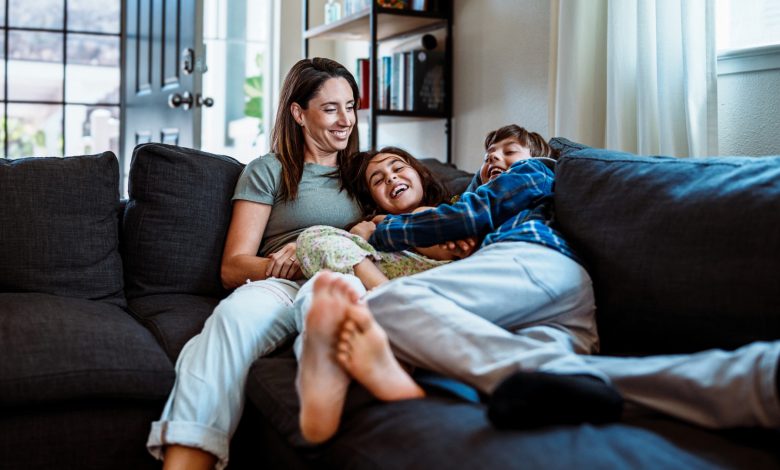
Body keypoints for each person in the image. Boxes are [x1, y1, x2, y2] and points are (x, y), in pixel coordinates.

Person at [300, 123, 780, 440]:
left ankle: (385, 381)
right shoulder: (471, 202)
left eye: (508, 151)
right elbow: (467, 212)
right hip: (555, 315)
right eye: (488, 155)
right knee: (545, 379)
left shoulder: (536, 172)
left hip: (537, 262)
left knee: (381, 306)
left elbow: (474, 212)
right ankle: (750, 382)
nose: (496, 160)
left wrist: (384, 231)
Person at [146, 57, 364, 470]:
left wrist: (314, 246)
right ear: (299, 113)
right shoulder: (270, 170)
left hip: (345, 277)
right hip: (278, 284)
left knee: (331, 315)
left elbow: (399, 218)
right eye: (331, 108)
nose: (345, 120)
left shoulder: (365, 171)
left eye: (350, 106)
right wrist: (291, 263)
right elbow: (233, 267)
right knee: (227, 324)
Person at [295, 147, 474, 290]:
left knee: (421, 214)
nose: (391, 177)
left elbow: (447, 244)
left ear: (420, 175)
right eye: (378, 181)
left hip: (437, 281)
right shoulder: (370, 230)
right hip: (386, 285)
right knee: (311, 236)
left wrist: (391, 224)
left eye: (398, 168)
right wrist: (358, 237)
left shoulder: (455, 207)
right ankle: (387, 295)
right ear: (373, 200)